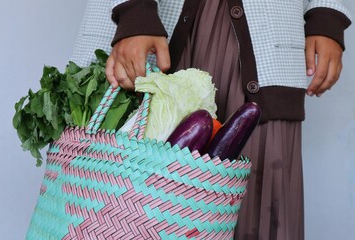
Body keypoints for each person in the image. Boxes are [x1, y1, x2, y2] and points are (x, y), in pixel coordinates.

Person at [73, 0, 352, 239]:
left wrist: (326, 12)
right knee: (131, 209)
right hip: (154, 30)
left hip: (270, 35)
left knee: (261, 207)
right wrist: (135, 11)